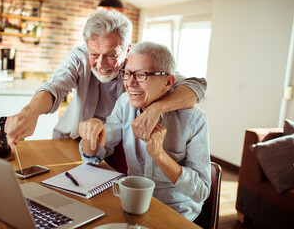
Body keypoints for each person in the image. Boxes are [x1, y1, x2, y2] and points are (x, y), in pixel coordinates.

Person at [4, 10, 207, 173]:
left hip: (124, 145)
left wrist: (157, 108)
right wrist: (31, 111)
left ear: (127, 50)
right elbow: (55, 86)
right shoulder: (79, 57)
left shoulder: (139, 60)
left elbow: (195, 86)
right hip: (81, 140)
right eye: (94, 54)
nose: (101, 64)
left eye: (111, 55)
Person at [79, 41, 211, 221]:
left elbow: (201, 191)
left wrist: (160, 155)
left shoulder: (195, 120)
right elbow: (98, 152)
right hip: (132, 206)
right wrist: (90, 135)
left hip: (175, 214)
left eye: (142, 75)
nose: (131, 83)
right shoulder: (125, 103)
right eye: (127, 74)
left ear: (168, 82)